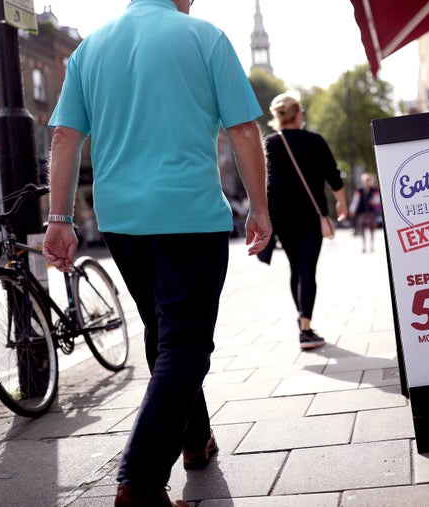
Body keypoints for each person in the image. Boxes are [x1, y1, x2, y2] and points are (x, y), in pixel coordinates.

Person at [42, 1, 272, 506]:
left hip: (123, 221)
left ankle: (194, 440)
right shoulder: (204, 36)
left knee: (166, 333)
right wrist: (260, 207)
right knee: (187, 344)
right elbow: (244, 129)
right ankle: (141, 481)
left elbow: (64, 136)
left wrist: (59, 220)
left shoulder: (90, 49)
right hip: (189, 214)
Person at [264, 92, 348, 350]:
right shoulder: (314, 141)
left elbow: (263, 181)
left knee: (295, 269)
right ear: (298, 114)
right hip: (310, 216)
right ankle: (306, 330)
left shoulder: (269, 144)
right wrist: (341, 202)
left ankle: (303, 322)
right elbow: (333, 175)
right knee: (307, 269)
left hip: (282, 218)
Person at [349, 172, 381, 253]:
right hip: (362, 212)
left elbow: (378, 199)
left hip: (371, 212)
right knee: (362, 229)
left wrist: (374, 201)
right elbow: (355, 200)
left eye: (368, 180)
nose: (366, 182)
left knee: (372, 229)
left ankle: (371, 246)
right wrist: (352, 210)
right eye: (365, 180)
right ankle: (364, 246)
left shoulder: (374, 190)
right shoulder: (359, 190)